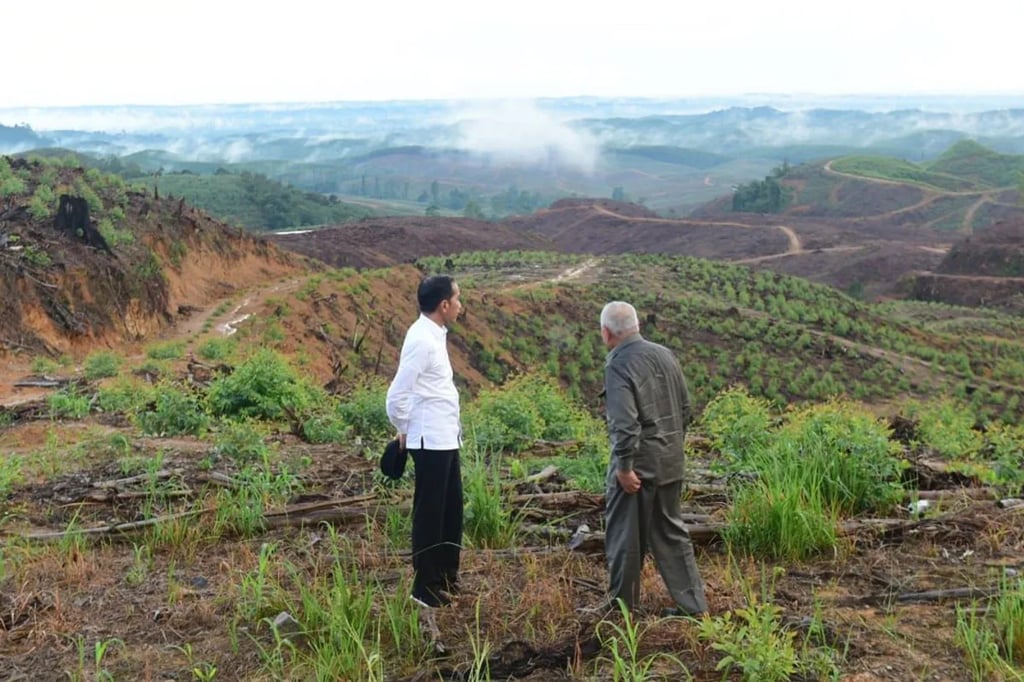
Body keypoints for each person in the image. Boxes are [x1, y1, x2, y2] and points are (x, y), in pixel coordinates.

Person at [597, 300, 708, 617]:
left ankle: (622, 608)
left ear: (607, 333)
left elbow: (624, 422)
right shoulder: (665, 354)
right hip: (671, 461)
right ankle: (694, 606)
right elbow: (685, 410)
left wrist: (624, 467)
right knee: (672, 533)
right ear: (636, 326)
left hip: (639, 469)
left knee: (624, 538)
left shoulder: (618, 364)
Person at [386, 275, 464, 609]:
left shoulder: (434, 334)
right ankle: (423, 587)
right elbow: (396, 395)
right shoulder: (421, 339)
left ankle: (445, 575)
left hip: (445, 436)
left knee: (450, 509)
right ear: (444, 305)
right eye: (457, 298)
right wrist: (405, 429)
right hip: (429, 439)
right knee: (430, 513)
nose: (461, 304)